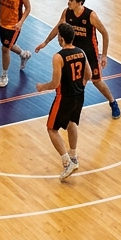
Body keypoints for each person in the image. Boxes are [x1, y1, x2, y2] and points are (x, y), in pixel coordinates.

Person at [35, 0, 121, 120]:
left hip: (90, 55)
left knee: (97, 82)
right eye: (68, 0)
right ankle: (69, 109)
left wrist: (104, 55)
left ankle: (112, 102)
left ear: (79, 2)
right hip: (74, 54)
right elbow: (58, 27)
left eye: (71, 0)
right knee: (71, 82)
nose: (68, 2)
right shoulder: (67, 12)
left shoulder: (91, 15)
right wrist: (45, 42)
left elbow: (105, 33)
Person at [35, 23, 90, 181]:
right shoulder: (81, 52)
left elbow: (55, 83)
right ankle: (74, 156)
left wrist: (41, 87)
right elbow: (88, 75)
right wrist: (80, 85)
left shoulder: (58, 57)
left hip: (64, 97)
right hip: (79, 95)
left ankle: (67, 162)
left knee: (51, 129)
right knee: (71, 123)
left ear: (61, 38)